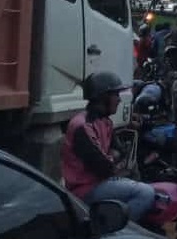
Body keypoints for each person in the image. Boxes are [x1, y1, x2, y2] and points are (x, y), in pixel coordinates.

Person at [61, 71, 156, 224]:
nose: (119, 99)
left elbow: (121, 153)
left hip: (99, 183)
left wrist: (114, 158)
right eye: (115, 95)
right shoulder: (82, 126)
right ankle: (114, 232)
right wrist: (114, 158)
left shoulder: (105, 122)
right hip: (85, 189)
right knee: (145, 193)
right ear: (103, 97)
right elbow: (105, 168)